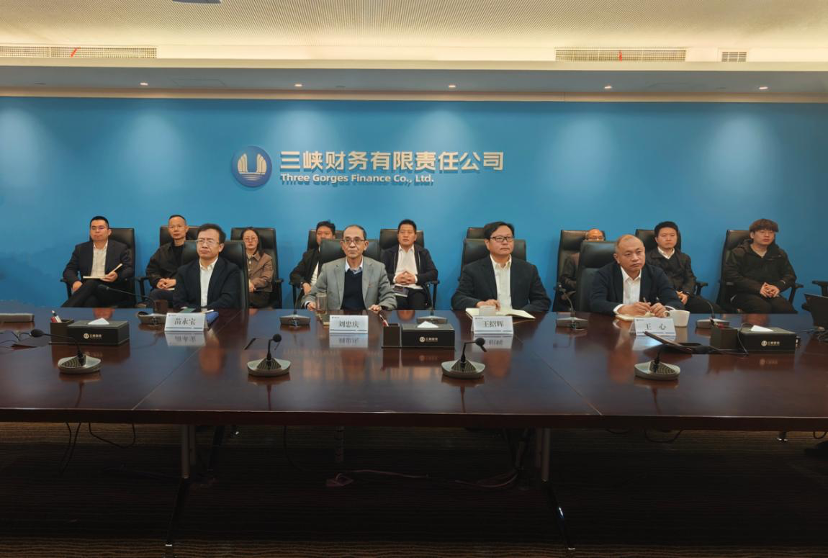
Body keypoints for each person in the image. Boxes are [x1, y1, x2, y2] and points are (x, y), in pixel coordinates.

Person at [451, 221, 551, 312]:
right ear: (487, 243)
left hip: (519, 322)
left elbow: (542, 301)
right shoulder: (472, 269)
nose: (505, 242)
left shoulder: (529, 269)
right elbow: (457, 299)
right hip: (487, 321)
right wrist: (480, 304)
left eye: (509, 238)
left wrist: (520, 313)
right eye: (499, 238)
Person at [303, 224, 396, 312]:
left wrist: (381, 307)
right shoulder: (328, 268)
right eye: (347, 240)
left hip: (367, 318)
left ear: (366, 245)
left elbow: (389, 297)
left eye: (357, 240)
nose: (352, 245)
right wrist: (310, 303)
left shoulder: (378, 268)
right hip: (336, 319)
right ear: (342, 245)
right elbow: (312, 295)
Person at [589, 234, 683, 316]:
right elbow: (596, 303)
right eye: (628, 254)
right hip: (613, 325)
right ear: (617, 258)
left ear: (644, 252)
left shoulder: (656, 273)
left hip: (646, 326)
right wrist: (623, 309)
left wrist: (666, 309)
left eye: (639, 252)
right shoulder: (604, 274)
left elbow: (675, 302)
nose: (635, 258)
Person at [646, 221, 722, 314]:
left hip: (683, 296)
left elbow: (690, 279)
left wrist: (686, 293)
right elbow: (648, 282)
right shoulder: (647, 258)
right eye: (664, 235)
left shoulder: (684, 258)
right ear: (656, 239)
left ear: (677, 238)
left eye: (672, 235)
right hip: (660, 298)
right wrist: (672, 293)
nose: (668, 239)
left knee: (714, 309)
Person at [723, 219, 797, 313]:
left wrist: (777, 287)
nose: (767, 235)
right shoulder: (739, 252)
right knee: (762, 308)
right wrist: (758, 287)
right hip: (743, 293)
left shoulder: (779, 254)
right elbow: (730, 274)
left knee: (786, 310)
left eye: (771, 232)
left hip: (770, 294)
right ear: (752, 235)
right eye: (762, 232)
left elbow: (790, 275)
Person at [62, 216, 134, 308]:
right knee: (90, 301)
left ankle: (63, 312)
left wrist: (117, 275)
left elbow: (129, 269)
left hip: (111, 290)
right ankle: (68, 314)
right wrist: (75, 282)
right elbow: (69, 270)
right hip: (87, 290)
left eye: (101, 228)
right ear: (90, 232)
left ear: (109, 231)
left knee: (91, 283)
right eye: (93, 228)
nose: (97, 231)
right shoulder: (81, 249)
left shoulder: (120, 248)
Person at [173, 224, 242, 309]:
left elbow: (227, 301)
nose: (204, 245)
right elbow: (179, 302)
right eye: (201, 241)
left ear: (220, 247)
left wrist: (203, 312)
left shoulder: (231, 270)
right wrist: (198, 313)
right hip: (192, 316)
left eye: (210, 241)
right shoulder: (184, 271)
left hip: (220, 316)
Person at [380, 219, 438, 310]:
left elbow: (434, 273)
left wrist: (415, 278)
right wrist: (395, 278)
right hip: (397, 288)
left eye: (409, 232)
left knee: (417, 306)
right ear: (398, 236)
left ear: (415, 237)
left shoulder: (423, 252)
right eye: (402, 232)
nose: (405, 235)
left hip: (416, 289)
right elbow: (379, 274)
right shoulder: (389, 253)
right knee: (399, 305)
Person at [290, 220, 335, 305]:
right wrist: (304, 284)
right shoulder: (309, 255)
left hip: (333, 298)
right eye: (319, 233)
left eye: (326, 233)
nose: (322, 236)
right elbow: (294, 274)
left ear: (333, 237)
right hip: (311, 296)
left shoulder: (341, 256)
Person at [146, 214, 188, 305]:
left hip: (189, 291)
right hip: (168, 291)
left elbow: (199, 273)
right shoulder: (162, 250)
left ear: (186, 228)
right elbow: (151, 270)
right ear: (169, 230)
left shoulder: (197, 249)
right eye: (172, 227)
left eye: (179, 226)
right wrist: (158, 281)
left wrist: (176, 281)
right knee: (155, 294)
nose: (175, 229)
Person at [559, 228, 605, 293]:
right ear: (586, 241)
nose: (598, 240)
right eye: (594, 238)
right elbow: (564, 280)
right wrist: (581, 285)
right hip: (580, 292)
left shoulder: (609, 258)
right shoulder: (573, 258)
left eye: (600, 238)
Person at [241, 227, 274, 308]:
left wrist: (252, 283)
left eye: (253, 238)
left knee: (241, 298)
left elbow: (266, 279)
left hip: (260, 293)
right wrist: (245, 285)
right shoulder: (236, 258)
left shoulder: (266, 258)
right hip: (241, 291)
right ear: (241, 241)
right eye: (246, 238)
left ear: (258, 241)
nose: (250, 241)